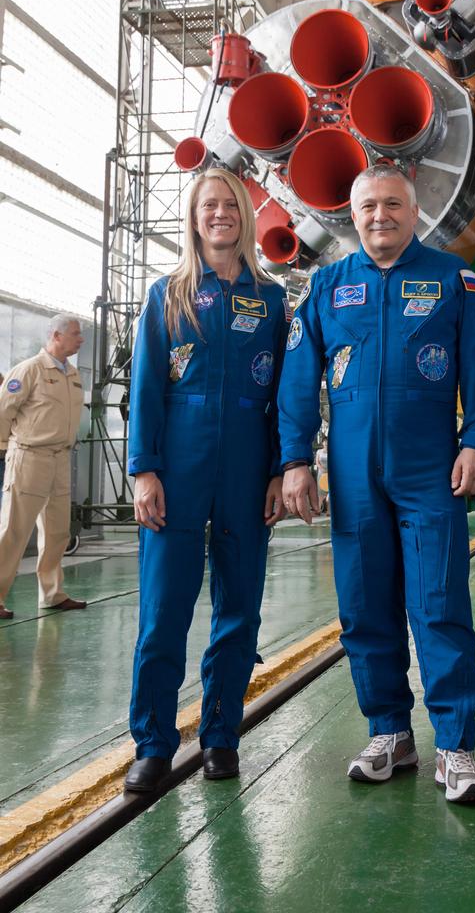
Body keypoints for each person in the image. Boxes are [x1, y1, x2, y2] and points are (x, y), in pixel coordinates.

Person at [277, 164, 475, 805]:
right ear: (353, 215)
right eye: (370, 206)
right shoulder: (327, 286)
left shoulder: (454, 280)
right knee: (364, 606)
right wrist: (297, 461)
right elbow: (297, 380)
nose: (381, 216)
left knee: (439, 603)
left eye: (394, 205)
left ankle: (455, 745)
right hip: (351, 474)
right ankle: (389, 733)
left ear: (415, 210)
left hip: (430, 468)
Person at [124, 167, 288, 793]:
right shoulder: (166, 294)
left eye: (230, 205)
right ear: (193, 218)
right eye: (208, 205)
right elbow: (145, 393)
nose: (220, 213)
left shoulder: (272, 300)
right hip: (180, 463)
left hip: (248, 465)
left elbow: (284, 396)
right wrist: (145, 471)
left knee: (239, 609)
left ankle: (221, 735)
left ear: (246, 216)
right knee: (164, 610)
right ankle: (154, 742)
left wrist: (279, 468)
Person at [0, 316, 87, 619]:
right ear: (55, 336)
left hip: (60, 459)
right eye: (75, 334)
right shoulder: (29, 370)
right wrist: (4, 448)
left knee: (57, 532)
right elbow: (3, 409)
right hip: (29, 458)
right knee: (13, 531)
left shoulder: (72, 374)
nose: (81, 339)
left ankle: (52, 594)